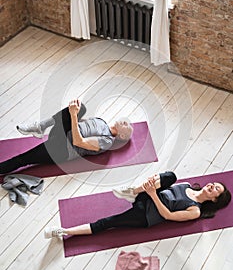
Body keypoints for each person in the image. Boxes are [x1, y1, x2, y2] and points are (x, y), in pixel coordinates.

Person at [44, 171, 231, 238]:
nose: (212, 186)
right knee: (171, 176)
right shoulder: (188, 185)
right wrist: (150, 189)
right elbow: (164, 183)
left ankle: (64, 231)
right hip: (147, 195)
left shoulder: (195, 211)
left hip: (147, 213)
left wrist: (151, 194)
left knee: (108, 222)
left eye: (216, 190)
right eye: (215, 184)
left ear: (215, 200)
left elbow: (168, 216)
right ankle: (132, 192)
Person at [0, 99, 133, 175]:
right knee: (82, 107)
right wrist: (74, 113)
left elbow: (78, 141)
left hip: (62, 150)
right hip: (62, 135)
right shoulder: (101, 121)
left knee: (23, 159)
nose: (125, 122)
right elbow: (81, 123)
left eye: (127, 126)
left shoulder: (107, 141)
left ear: (122, 135)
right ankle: (41, 126)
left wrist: (73, 115)